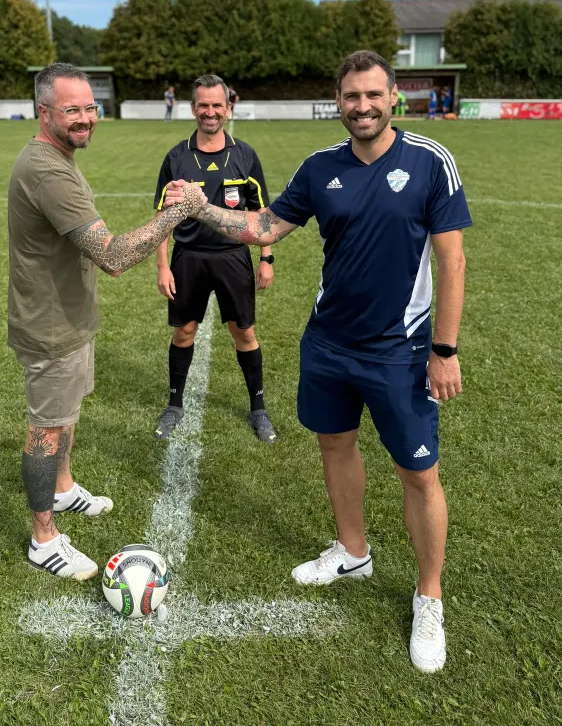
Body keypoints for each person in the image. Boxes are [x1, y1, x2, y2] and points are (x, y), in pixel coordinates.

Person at [166, 50, 471, 673]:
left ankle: (429, 596)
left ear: (393, 98)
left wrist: (444, 350)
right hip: (328, 345)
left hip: (402, 349)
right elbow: (265, 228)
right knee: (335, 447)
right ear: (338, 101)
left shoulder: (429, 162)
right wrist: (200, 209)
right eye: (350, 97)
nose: (361, 107)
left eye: (372, 95)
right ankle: (352, 550)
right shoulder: (319, 168)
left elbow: (452, 262)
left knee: (419, 475)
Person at [8, 63, 204, 581]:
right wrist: (175, 213)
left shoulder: (60, 157)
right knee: (46, 428)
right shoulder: (46, 170)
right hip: (49, 326)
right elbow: (112, 255)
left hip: (69, 317)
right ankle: (43, 537)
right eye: (72, 109)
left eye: (90, 107)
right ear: (43, 111)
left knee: (66, 413)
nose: (85, 118)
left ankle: (64, 487)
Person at [153, 74, 277, 443]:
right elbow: (161, 215)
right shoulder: (177, 157)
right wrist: (162, 265)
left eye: (217, 105)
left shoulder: (244, 155)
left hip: (233, 257)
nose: (210, 112)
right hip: (188, 258)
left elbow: (262, 212)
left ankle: (258, 409)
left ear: (228, 108)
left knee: (244, 332)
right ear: (193, 109)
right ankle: (175, 404)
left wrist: (266, 257)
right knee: (184, 331)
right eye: (203, 105)